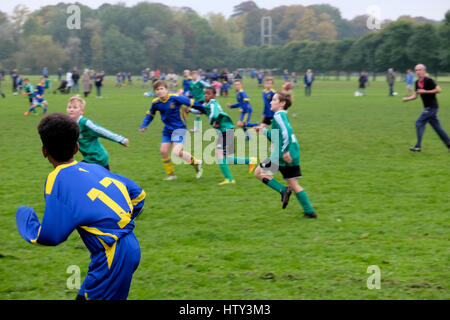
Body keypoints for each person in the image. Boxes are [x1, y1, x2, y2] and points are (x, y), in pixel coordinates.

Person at [16, 113, 145, 300]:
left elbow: (52, 236)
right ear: (76, 148)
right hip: (128, 247)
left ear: (44, 151)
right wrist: (117, 222)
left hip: (111, 256)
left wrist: (26, 219)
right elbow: (139, 196)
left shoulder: (56, 178)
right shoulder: (95, 167)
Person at [253, 91, 317, 218]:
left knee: (259, 172)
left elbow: (287, 132)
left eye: (274, 100)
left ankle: (283, 191)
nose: (271, 102)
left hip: (283, 153)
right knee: (293, 183)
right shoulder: (282, 115)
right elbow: (279, 136)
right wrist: (264, 131)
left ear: (282, 103)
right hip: (293, 151)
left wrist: (285, 151)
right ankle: (310, 211)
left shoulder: (277, 116)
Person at [187, 87, 257, 185]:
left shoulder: (213, 103)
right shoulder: (206, 104)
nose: (206, 95)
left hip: (226, 130)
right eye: (205, 94)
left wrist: (213, 121)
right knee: (226, 158)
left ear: (214, 96)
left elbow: (214, 114)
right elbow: (201, 110)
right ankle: (249, 161)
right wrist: (190, 110)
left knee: (219, 154)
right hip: (225, 131)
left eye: (209, 94)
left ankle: (229, 179)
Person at [139, 80, 204, 180]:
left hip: (179, 129)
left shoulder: (175, 98)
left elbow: (191, 102)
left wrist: (205, 109)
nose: (160, 91)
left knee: (176, 152)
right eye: (157, 89)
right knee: (163, 151)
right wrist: (144, 125)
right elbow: (150, 114)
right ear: (155, 92)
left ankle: (197, 162)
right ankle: (171, 175)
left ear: (166, 89)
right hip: (167, 130)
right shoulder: (156, 102)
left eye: (162, 89)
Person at [66, 95, 129, 169]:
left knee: (77, 173)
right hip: (88, 159)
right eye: (69, 107)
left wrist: (122, 140)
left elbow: (102, 131)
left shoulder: (85, 123)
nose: (71, 109)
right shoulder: (70, 124)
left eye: (75, 107)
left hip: (98, 159)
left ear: (82, 111)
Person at [402, 64, 450, 152]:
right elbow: (416, 95)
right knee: (438, 128)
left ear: (424, 71)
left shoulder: (429, 80)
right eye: (416, 70)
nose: (418, 72)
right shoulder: (417, 82)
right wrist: (407, 99)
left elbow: (439, 90)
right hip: (428, 108)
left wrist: (426, 91)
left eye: (420, 70)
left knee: (419, 122)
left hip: (432, 107)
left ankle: (418, 146)